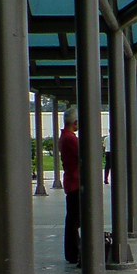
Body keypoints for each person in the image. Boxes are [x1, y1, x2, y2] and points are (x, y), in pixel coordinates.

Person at [59, 106, 80, 264]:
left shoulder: (64, 137)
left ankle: (73, 251)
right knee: (74, 220)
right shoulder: (71, 139)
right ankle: (73, 252)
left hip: (71, 181)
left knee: (72, 219)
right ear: (75, 122)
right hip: (75, 182)